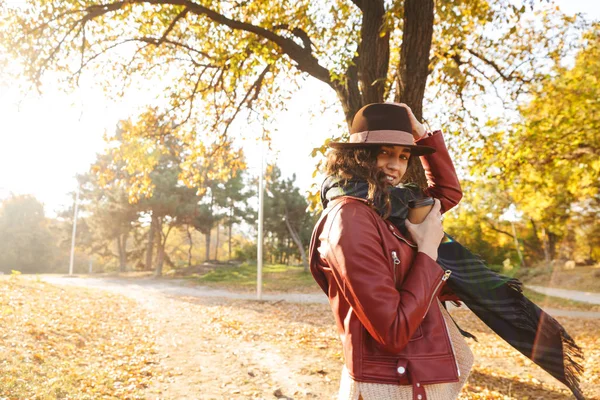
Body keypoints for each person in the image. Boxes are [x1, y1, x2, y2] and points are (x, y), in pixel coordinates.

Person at [308, 102, 473, 400]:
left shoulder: (391, 206)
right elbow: (393, 331)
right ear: (359, 156)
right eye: (384, 152)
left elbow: (448, 192)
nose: (395, 166)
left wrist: (422, 133)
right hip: (386, 386)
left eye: (404, 155)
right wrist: (427, 251)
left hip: (408, 378)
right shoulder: (351, 219)